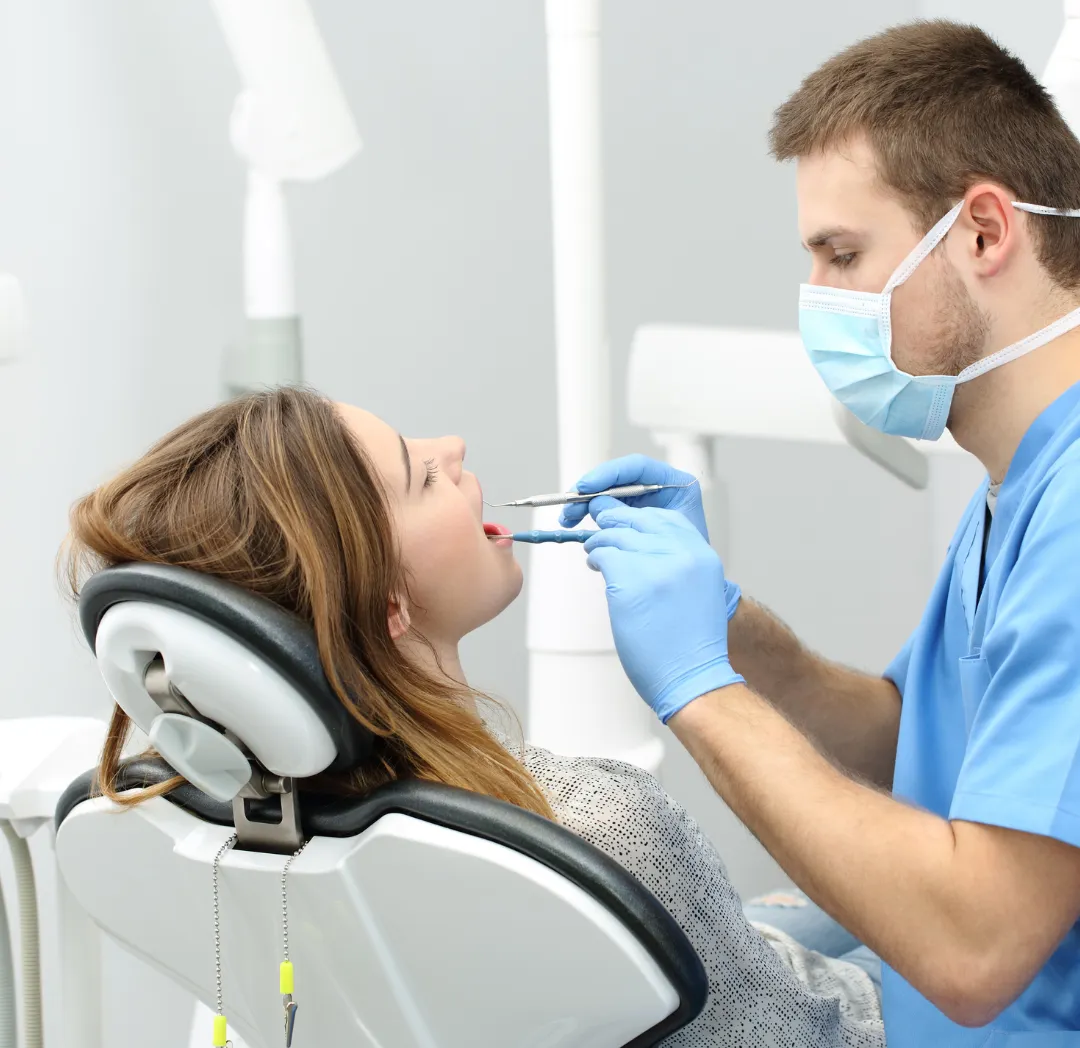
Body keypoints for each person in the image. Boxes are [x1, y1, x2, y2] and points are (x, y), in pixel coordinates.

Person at [64, 386, 883, 1047]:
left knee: (786, 914)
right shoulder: (600, 829)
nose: (453, 446)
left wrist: (726, 615)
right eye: (421, 476)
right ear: (388, 605)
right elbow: (820, 1034)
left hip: (720, 966)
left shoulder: (246, 835)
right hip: (810, 1014)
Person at [561, 21, 1080, 1045]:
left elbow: (978, 947)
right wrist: (741, 634)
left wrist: (701, 693)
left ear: (982, 232)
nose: (820, 303)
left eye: (843, 255)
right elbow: (931, 742)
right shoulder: (1019, 484)